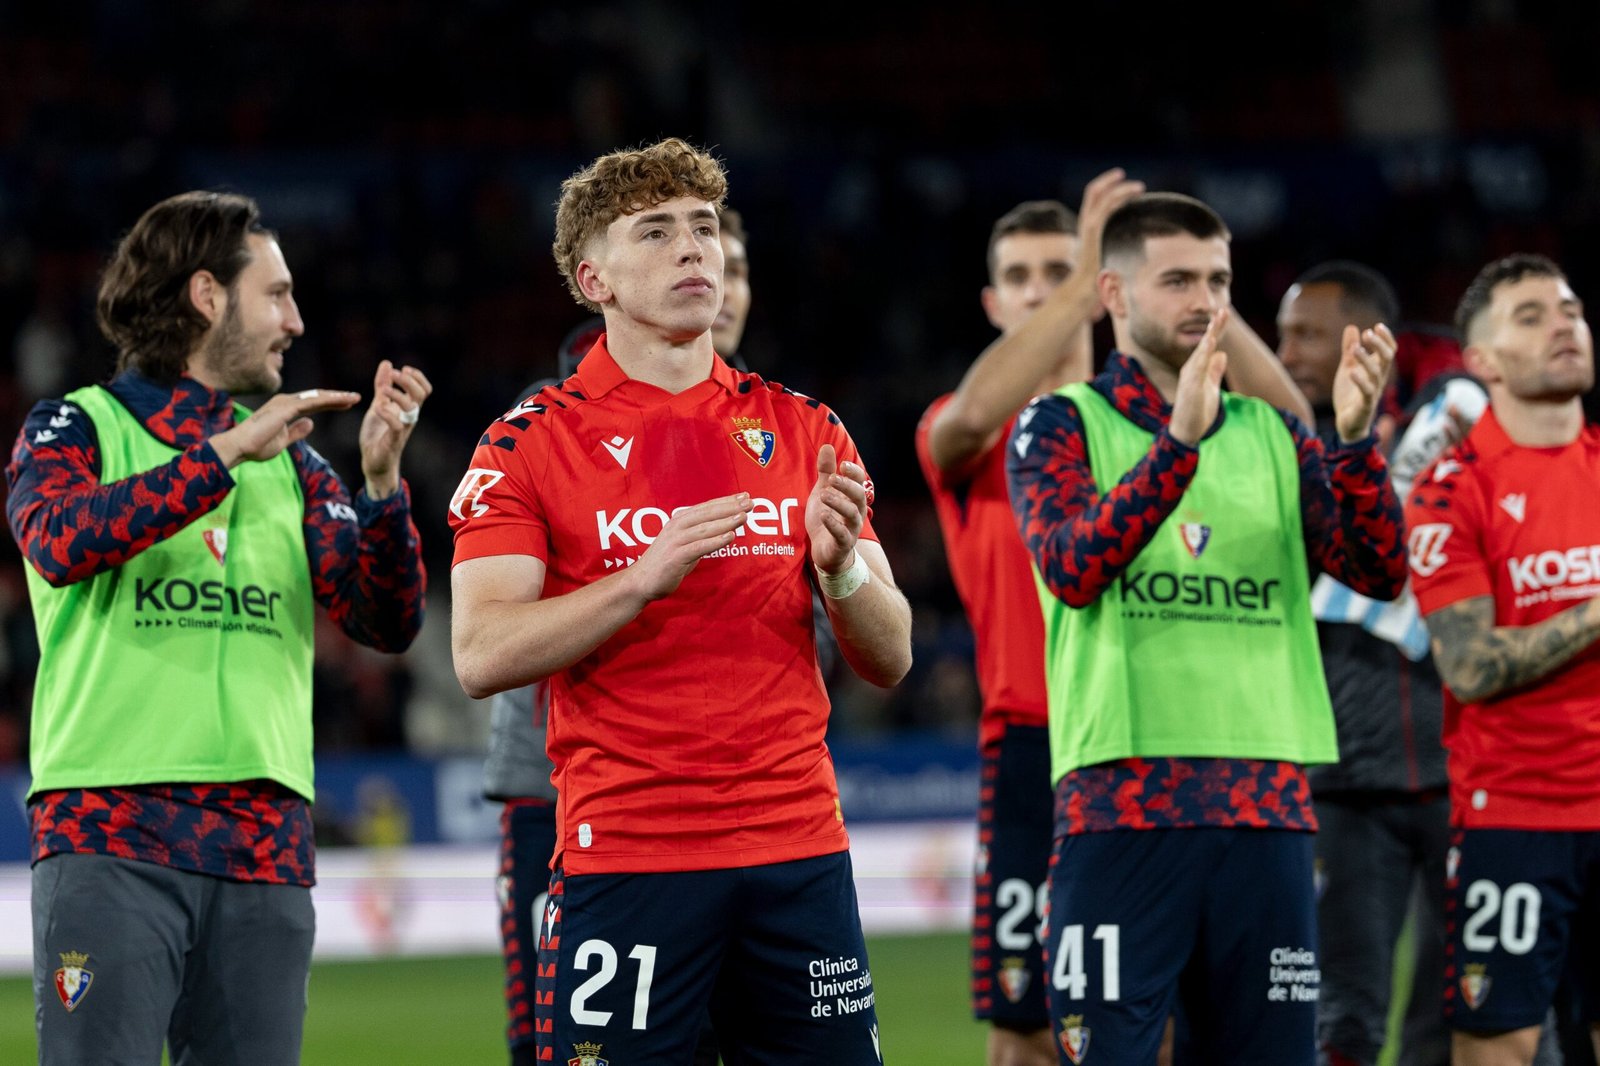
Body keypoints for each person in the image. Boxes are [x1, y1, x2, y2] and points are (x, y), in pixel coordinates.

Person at [449, 138, 912, 1065]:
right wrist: (640, 580)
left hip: (798, 849)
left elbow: (891, 656)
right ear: (594, 280)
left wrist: (840, 574)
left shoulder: (803, 426)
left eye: (703, 229)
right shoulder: (526, 445)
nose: (694, 249)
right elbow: (482, 653)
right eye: (655, 233)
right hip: (628, 854)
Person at [5, 190, 429, 1065]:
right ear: (207, 296)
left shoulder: (302, 463)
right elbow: (58, 539)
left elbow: (384, 622)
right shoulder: (77, 424)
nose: (295, 320)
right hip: (110, 825)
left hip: (265, 840)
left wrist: (382, 490)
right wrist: (226, 455)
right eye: (275, 295)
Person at [915, 171, 1311, 1066]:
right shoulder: (978, 428)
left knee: (1159, 1021)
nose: (1041, 290)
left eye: (1060, 267)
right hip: (1033, 743)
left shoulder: (1160, 419)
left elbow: (1298, 431)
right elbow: (972, 416)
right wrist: (1093, 263)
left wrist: (1202, 290)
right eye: (1023, 276)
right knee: (1023, 1027)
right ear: (991, 301)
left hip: (1158, 748)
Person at [1006, 192, 1406, 1065]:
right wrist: (1177, 448)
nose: (1205, 301)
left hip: (1266, 808)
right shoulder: (1058, 425)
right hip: (1121, 805)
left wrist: (1350, 443)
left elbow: (1378, 571)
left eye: (1218, 279)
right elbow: (1074, 567)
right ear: (1112, 293)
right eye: (1178, 279)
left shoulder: (1273, 434)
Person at [484, 200, 753, 1066]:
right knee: (560, 1043)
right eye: (664, 241)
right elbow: (492, 640)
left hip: (736, 799)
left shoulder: (776, 428)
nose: (715, 274)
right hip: (568, 789)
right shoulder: (555, 418)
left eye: (728, 259)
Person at [1405, 252, 1600, 1066]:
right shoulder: (1452, 490)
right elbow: (1472, 666)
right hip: (1515, 816)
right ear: (1479, 362)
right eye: (1531, 316)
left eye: (1570, 309)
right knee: (1498, 1050)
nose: (1564, 324)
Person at [1279, 261, 1462, 1066]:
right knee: (1345, 1016)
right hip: (1345, 778)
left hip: (1464, 766)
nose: (1285, 353)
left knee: (1460, 1014)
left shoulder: (1456, 436)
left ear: (1362, 338)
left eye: (1306, 334)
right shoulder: (1266, 449)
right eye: (1281, 334)